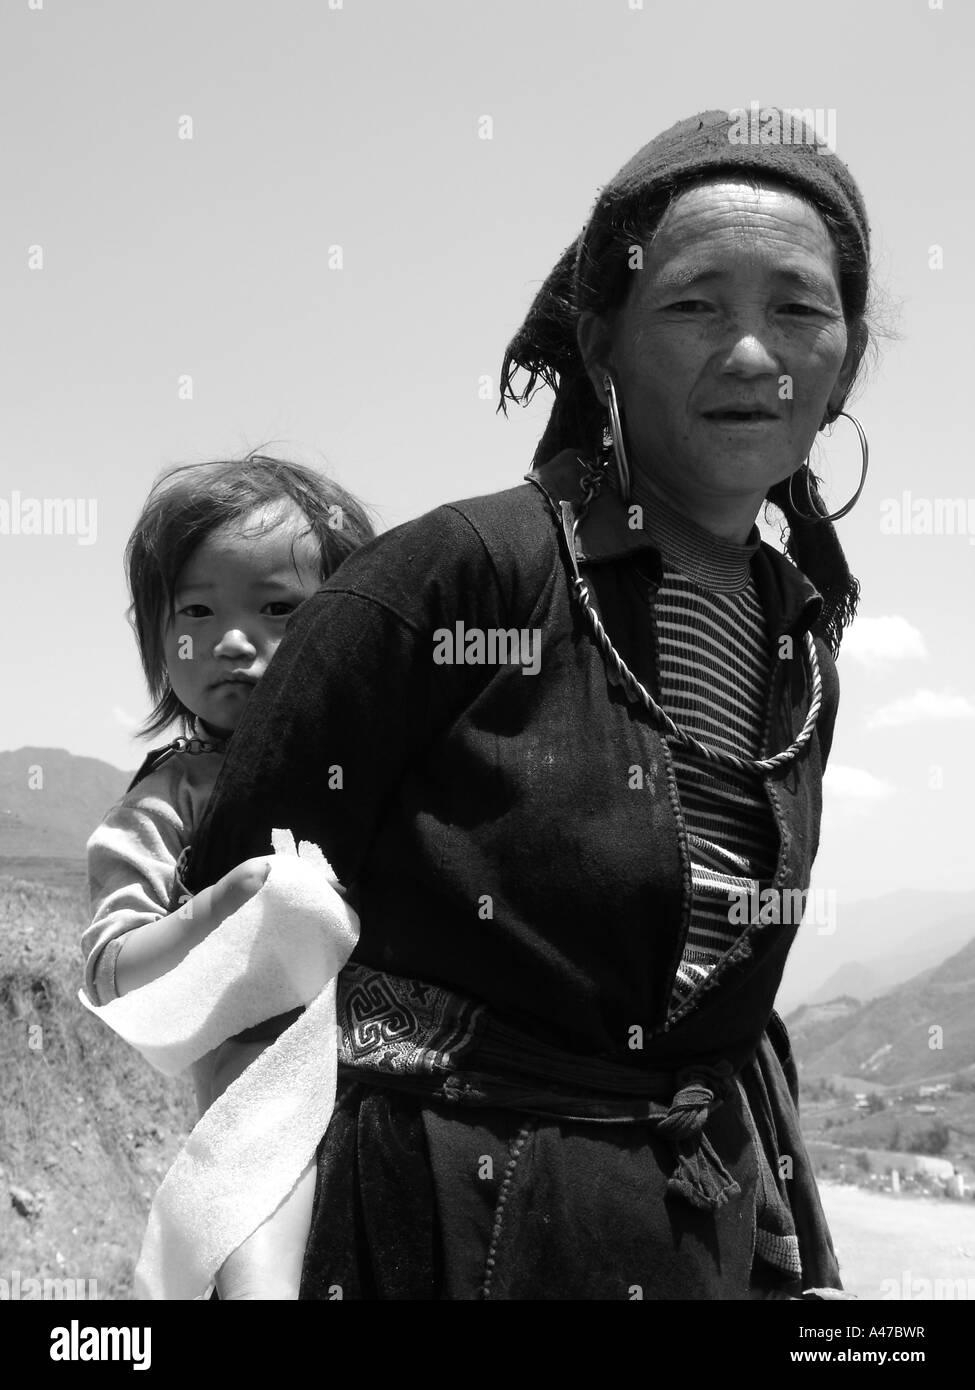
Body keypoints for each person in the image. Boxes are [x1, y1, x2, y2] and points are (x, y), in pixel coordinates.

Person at [186, 110, 876, 1299]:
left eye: (799, 309)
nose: (755, 355)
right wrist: (252, 1262)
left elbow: (718, 1018)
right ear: (601, 340)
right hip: (438, 1238)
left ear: (847, 357)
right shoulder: (452, 577)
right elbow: (234, 938)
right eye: (697, 304)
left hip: (687, 1244)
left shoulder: (801, 642)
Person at [81, 454, 374, 1299]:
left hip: (392, 1092)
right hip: (261, 1103)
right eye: (196, 612)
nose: (233, 641)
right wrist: (219, 903)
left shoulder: (374, 769)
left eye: (279, 608)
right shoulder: (173, 798)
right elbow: (110, 970)